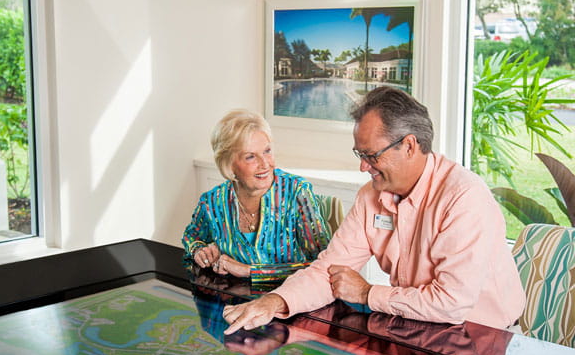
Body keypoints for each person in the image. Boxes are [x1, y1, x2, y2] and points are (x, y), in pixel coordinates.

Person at [223, 86, 525, 333]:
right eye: (359, 153)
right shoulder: (371, 195)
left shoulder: (464, 197)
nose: (362, 166)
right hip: (416, 327)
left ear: (409, 146)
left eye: (370, 155)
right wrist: (274, 302)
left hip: (484, 338)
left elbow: (451, 303)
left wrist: (368, 294)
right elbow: (328, 271)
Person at [182, 109, 330, 286]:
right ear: (229, 165)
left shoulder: (296, 192)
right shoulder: (212, 203)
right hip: (235, 301)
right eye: (250, 156)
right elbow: (191, 236)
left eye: (267, 151)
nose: (265, 163)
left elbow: (323, 264)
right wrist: (199, 250)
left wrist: (250, 271)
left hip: (293, 300)